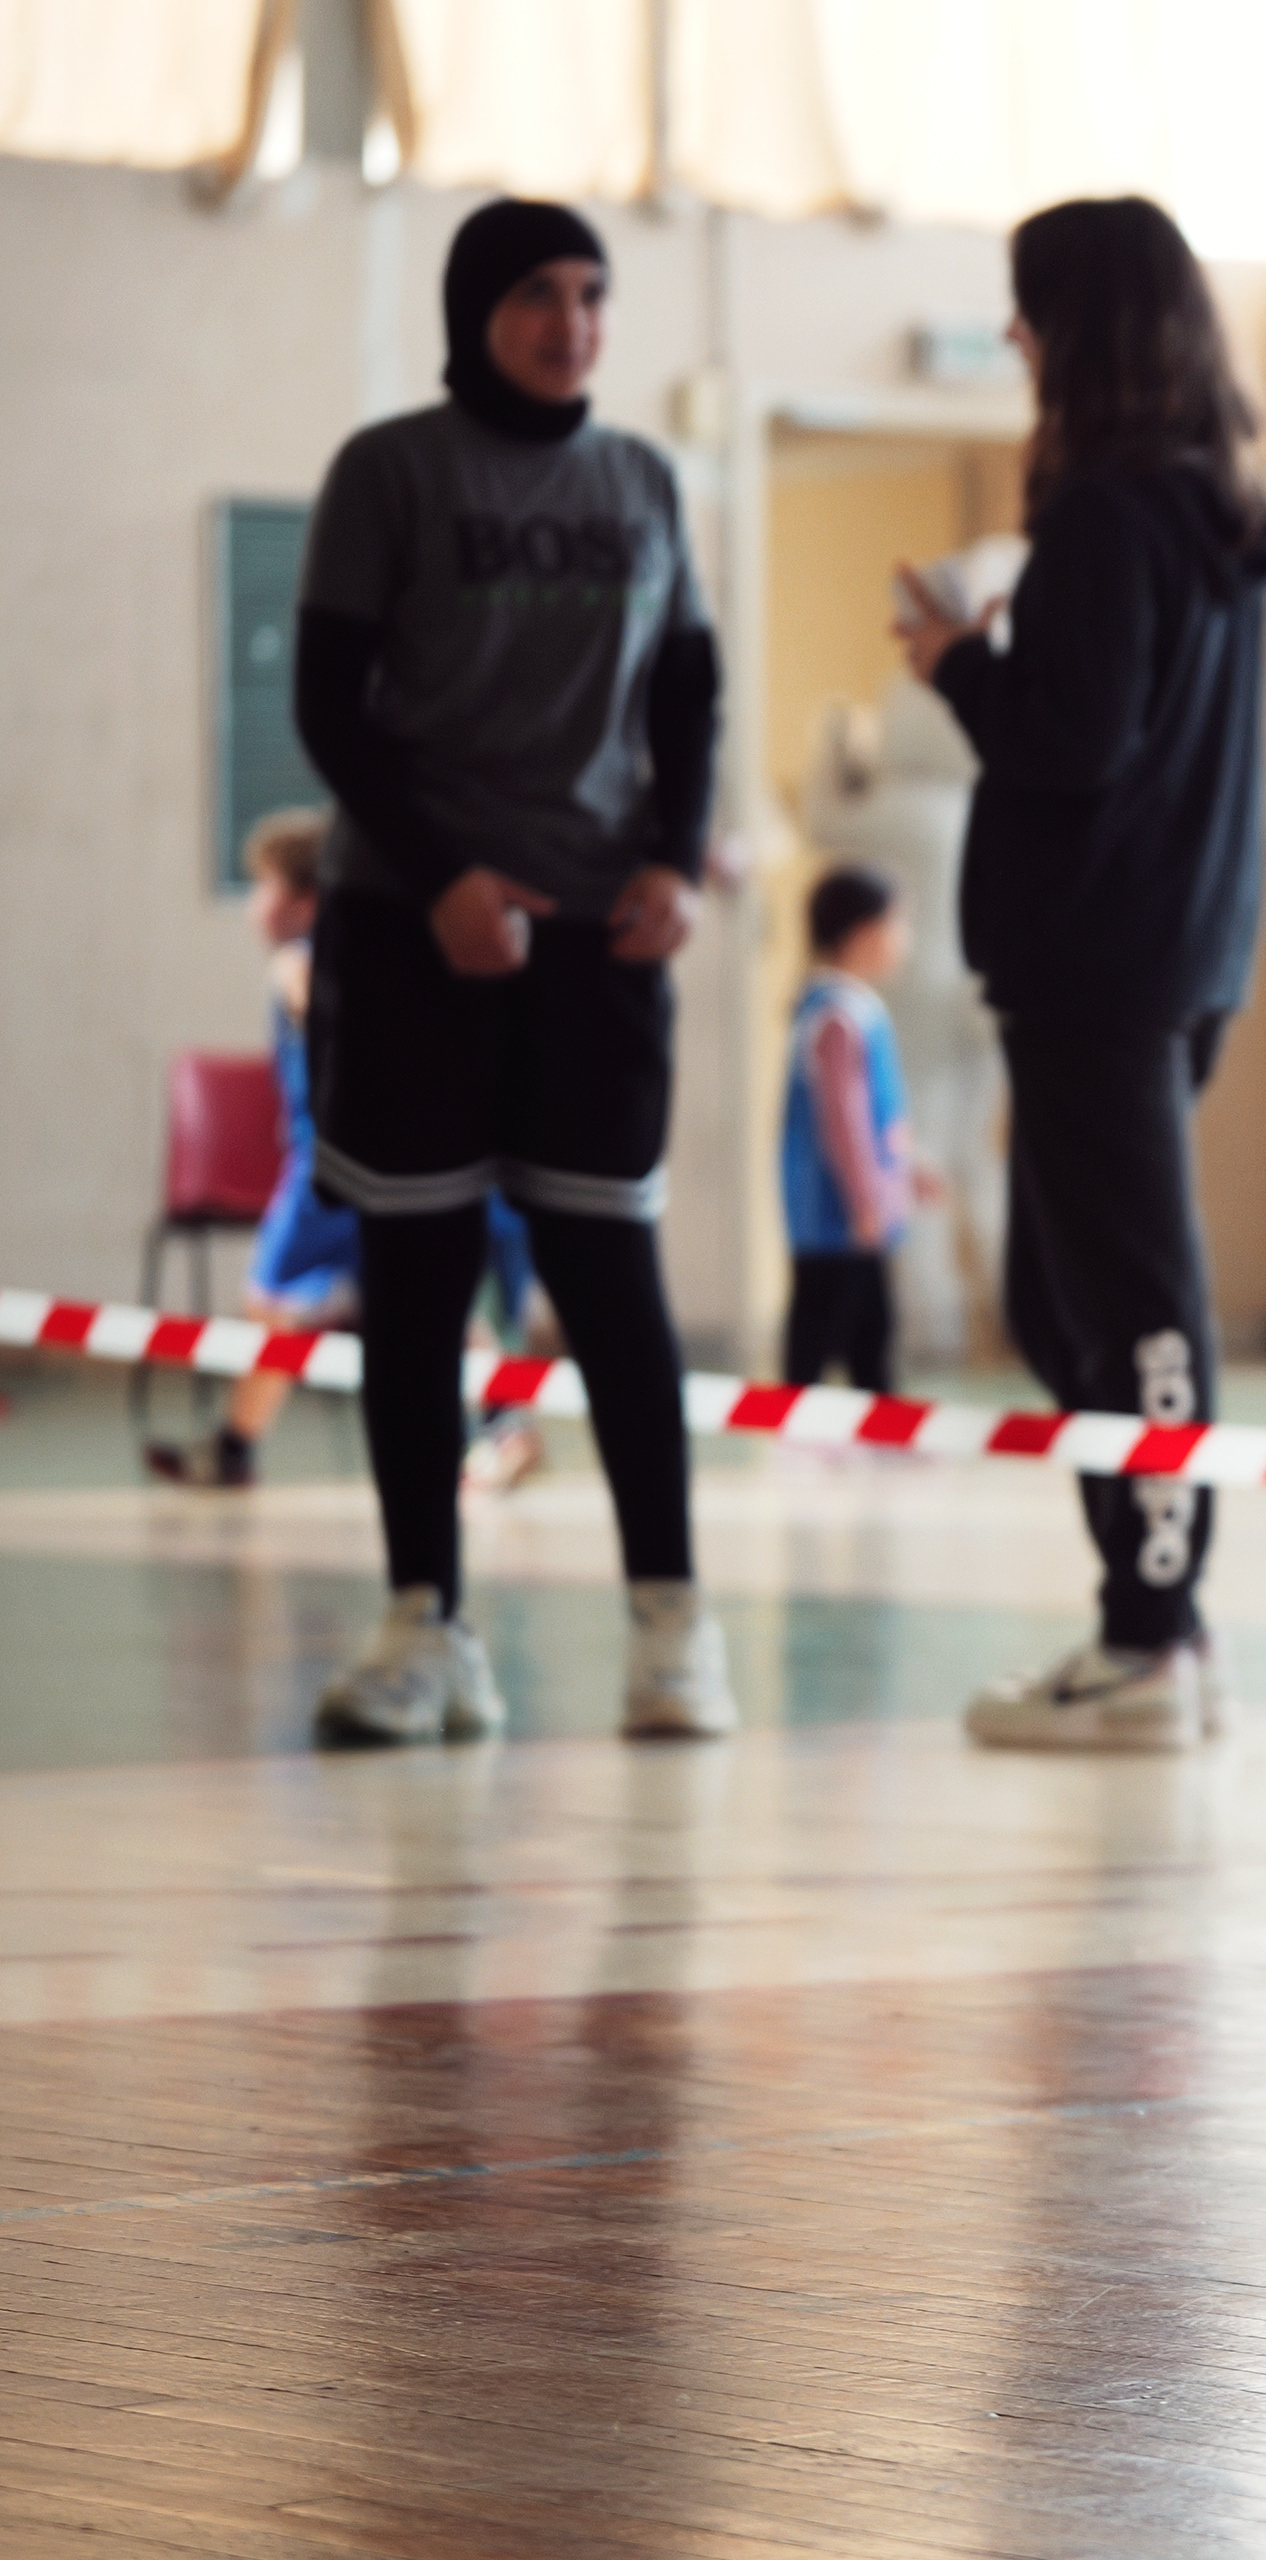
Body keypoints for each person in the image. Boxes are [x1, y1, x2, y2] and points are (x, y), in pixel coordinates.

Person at [289, 198, 730, 1743]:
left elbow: (688, 689)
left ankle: (671, 1627)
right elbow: (329, 707)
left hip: (598, 941)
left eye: (593, 294)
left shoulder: (643, 478)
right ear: (476, 309)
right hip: (416, 931)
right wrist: (441, 881)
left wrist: (677, 859)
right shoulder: (388, 471)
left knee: (611, 1286)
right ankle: (428, 1627)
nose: (572, 322)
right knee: (415, 1284)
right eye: (540, 293)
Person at [890, 196, 1266, 1750]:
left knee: (1130, 1305)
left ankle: (1155, 1637)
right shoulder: (1207, 509)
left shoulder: (1111, 515)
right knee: (1060, 1302)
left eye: (1030, 307)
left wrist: (960, 665)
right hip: (1165, 949)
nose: (1014, 335)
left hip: (1104, 961)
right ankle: (1154, 1618)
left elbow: (1071, 739)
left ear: (1085, 324)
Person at [147, 811, 540, 1490]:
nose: (255, 906)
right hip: (382, 1159)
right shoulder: (349, 954)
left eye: (265, 888)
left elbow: (328, 1011)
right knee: (438, 1304)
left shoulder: (299, 960)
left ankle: (238, 1446)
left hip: (327, 1167)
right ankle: (505, 1424)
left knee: (269, 1301)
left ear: (304, 900)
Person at [780, 864, 934, 1396]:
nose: (905, 939)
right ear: (864, 932)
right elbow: (843, 1119)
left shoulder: (850, 1007)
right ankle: (809, 1423)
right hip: (838, 1218)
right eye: (899, 923)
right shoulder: (838, 1014)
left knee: (864, 1331)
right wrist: (865, 1199)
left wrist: (908, 1169)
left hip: (852, 1216)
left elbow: (878, 1116)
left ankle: (877, 1424)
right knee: (831, 1330)